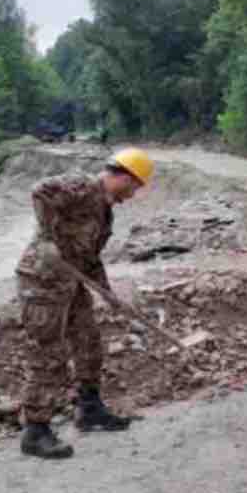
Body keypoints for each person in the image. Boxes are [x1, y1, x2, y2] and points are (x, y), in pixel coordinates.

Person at [14, 148, 155, 459]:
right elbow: (40, 192)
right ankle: (35, 431)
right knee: (47, 352)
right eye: (134, 186)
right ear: (122, 176)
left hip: (72, 281)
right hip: (43, 279)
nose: (133, 194)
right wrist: (47, 237)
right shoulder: (82, 186)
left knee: (89, 341)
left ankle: (89, 409)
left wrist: (108, 293)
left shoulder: (105, 212)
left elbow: (90, 258)